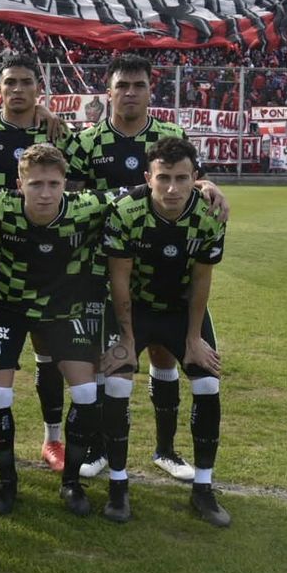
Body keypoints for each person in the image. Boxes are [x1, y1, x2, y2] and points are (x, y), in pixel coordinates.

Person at [69, 53, 229, 486]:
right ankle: (103, 448)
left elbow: (196, 184)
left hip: (165, 266)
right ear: (109, 91)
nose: (130, 93)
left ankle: (166, 450)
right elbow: (75, 201)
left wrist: (210, 185)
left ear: (149, 90)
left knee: (162, 353)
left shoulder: (170, 134)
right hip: (104, 266)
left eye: (138, 85)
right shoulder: (85, 143)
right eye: (122, 85)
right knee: (109, 359)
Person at [0, 55, 77, 475]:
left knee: (48, 350)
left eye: (26, 82)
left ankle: (52, 439)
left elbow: (92, 177)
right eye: (10, 83)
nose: (17, 89)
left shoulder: (57, 131)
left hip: (48, 256)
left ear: (38, 89)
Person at [0, 144, 110, 516]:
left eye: (53, 184)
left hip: (64, 310)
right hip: (7, 308)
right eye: (35, 185)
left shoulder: (87, 205)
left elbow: (143, 194)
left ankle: (72, 483)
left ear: (66, 184)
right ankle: (7, 481)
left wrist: (206, 187)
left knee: (84, 392)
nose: (45, 193)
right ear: (20, 184)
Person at [105, 137, 230, 527]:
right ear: (149, 177)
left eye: (181, 178)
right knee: (117, 382)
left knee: (208, 383)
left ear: (196, 179)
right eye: (164, 178)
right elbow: (119, 281)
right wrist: (126, 340)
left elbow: (201, 281)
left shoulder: (209, 216)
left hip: (180, 309)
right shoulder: (125, 211)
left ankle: (203, 490)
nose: (172, 188)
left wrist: (194, 339)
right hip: (134, 308)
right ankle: (118, 486)